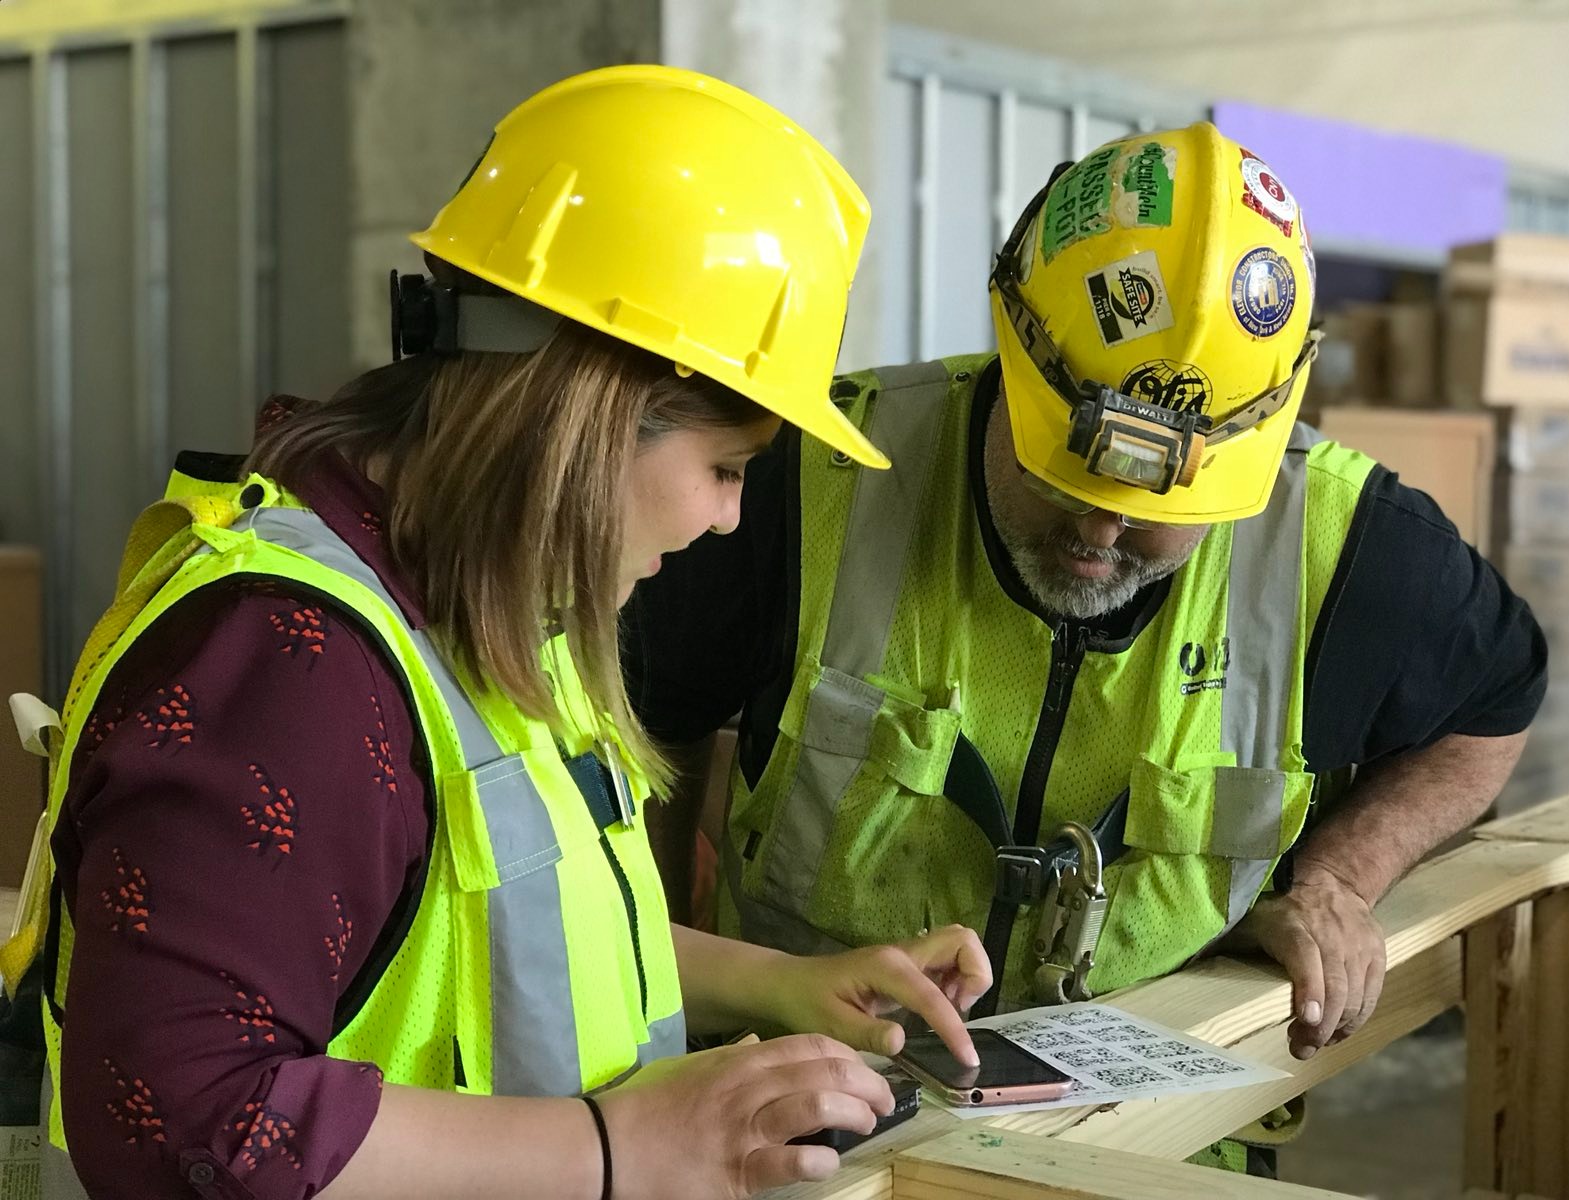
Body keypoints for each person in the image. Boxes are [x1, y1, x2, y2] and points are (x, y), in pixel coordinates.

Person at [11, 66, 992, 1200]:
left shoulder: (494, 612)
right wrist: (621, 1146)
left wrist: (779, 983)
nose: (728, 516)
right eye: (723, 467)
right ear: (590, 416)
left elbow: (509, 934)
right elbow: (179, 1115)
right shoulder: (294, 663)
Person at [628, 121, 1545, 1137]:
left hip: (1159, 1142)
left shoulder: (1348, 551)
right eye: (1065, 479)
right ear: (1011, 357)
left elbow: (1496, 702)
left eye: (1160, 511)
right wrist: (663, 1010)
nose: (1102, 532)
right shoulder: (807, 487)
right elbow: (641, 727)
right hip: (804, 1118)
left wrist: (1336, 879)